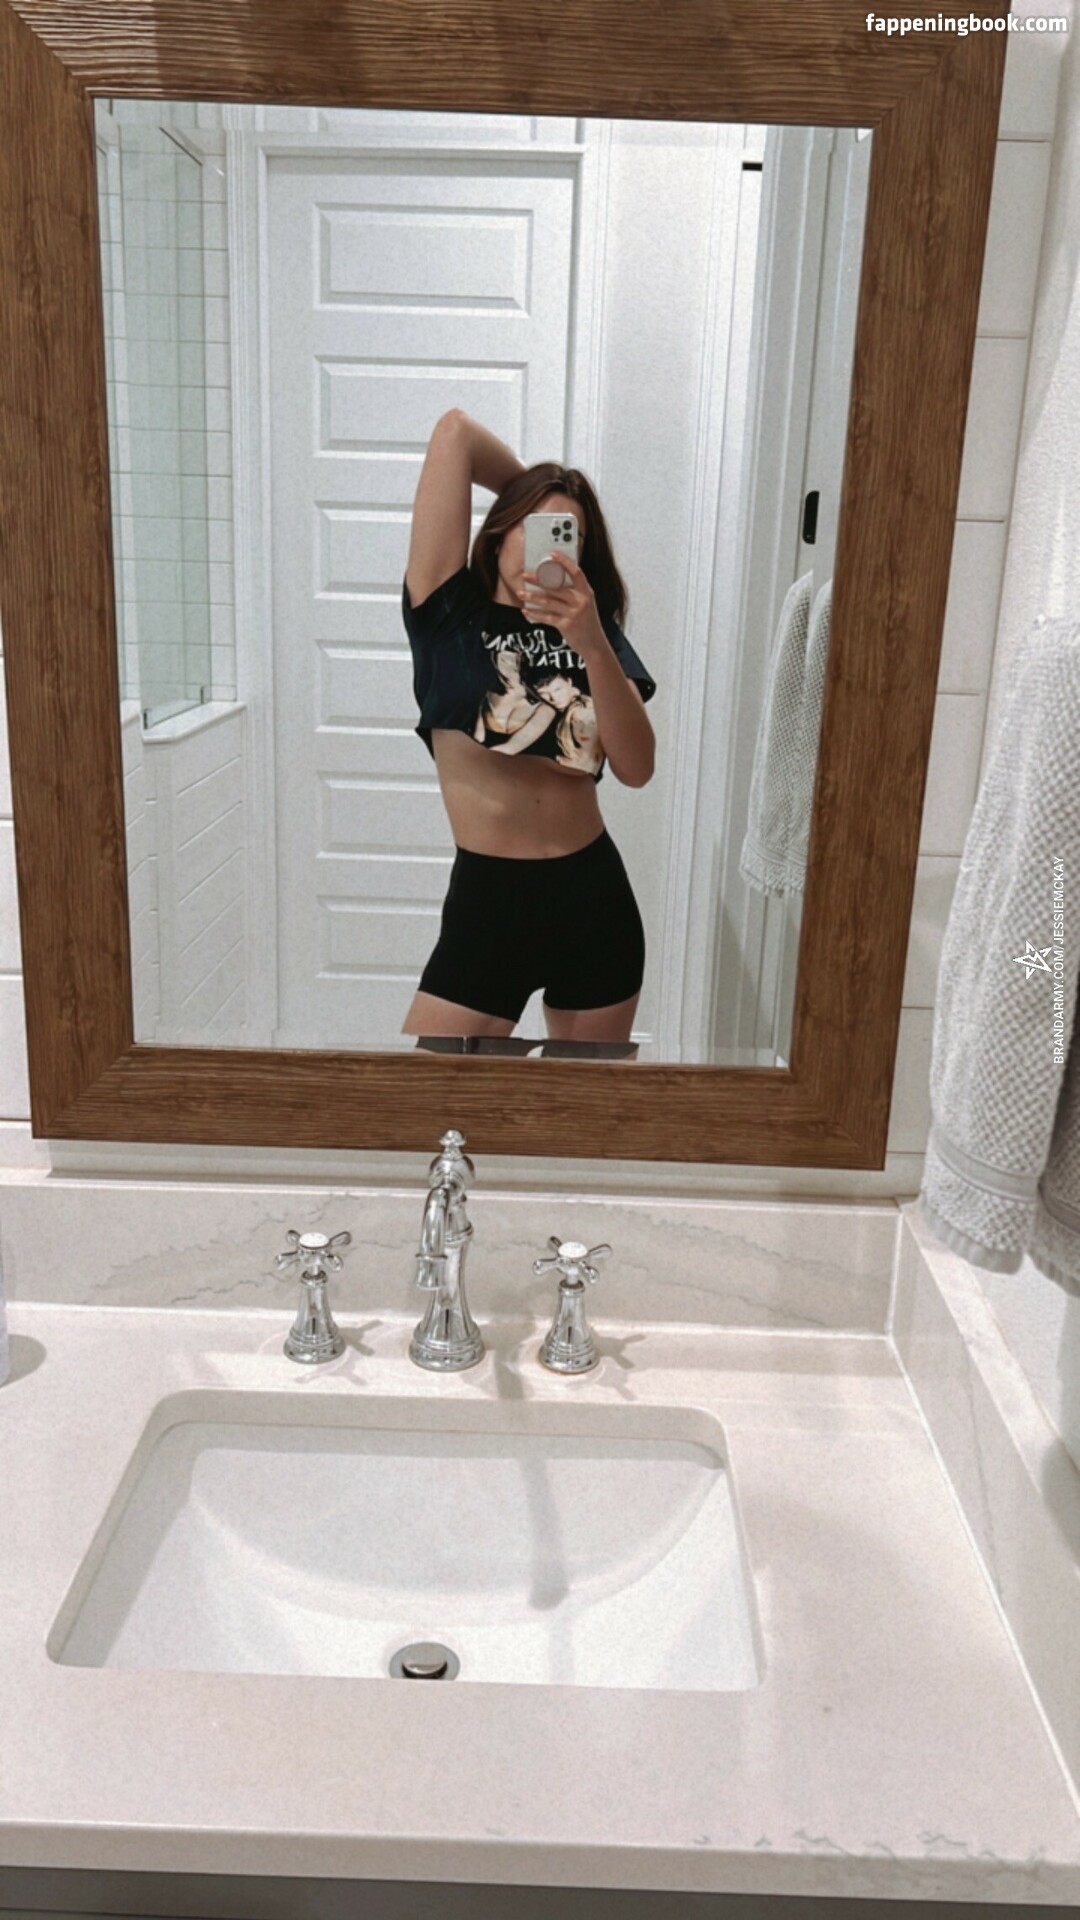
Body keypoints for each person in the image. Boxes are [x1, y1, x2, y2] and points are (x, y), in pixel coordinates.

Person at [400, 408, 657, 1045]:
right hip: (488, 905)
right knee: (427, 1096)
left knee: (582, 1104)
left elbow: (636, 768)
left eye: (569, 535)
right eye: (537, 527)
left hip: (593, 898)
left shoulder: (594, 634)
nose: (552, 544)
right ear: (499, 532)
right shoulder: (446, 612)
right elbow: (455, 432)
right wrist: (538, 487)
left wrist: (592, 642)